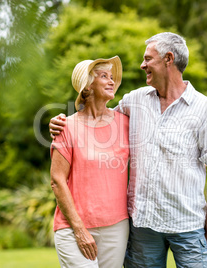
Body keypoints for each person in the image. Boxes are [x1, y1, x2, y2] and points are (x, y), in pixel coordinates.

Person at [50, 32, 207, 267]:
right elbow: (96, 115)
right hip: (144, 228)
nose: (142, 65)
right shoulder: (135, 101)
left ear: (168, 59)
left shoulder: (204, 108)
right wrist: (61, 121)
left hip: (187, 225)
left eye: (148, 59)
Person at [50, 56, 130, 268]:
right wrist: (79, 229)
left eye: (112, 77)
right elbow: (57, 180)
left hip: (117, 227)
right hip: (74, 227)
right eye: (104, 76)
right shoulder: (65, 127)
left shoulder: (125, 123)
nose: (112, 81)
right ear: (87, 87)